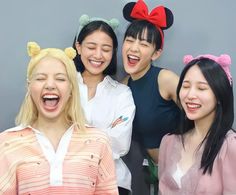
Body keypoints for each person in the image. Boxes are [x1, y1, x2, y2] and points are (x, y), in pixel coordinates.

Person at [0, 41, 119, 195]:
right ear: (29, 87)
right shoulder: (7, 142)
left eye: (60, 79)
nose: (50, 85)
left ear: (71, 88)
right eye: (41, 78)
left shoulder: (99, 141)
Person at [121, 0, 180, 194]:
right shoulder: (123, 86)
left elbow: (202, 112)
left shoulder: (165, 79)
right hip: (146, 170)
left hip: (179, 169)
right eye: (129, 40)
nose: (134, 48)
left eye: (144, 44)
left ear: (156, 53)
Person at [73, 15, 135, 195]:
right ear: (78, 47)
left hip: (113, 181)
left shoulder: (122, 93)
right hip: (67, 178)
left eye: (106, 49)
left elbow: (119, 141)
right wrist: (101, 134)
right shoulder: (64, 87)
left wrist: (77, 137)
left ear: (113, 51)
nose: (98, 55)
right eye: (91, 47)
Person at [159, 54, 236, 194]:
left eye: (201, 88)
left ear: (220, 95)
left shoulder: (230, 147)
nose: (190, 95)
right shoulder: (168, 142)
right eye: (186, 86)